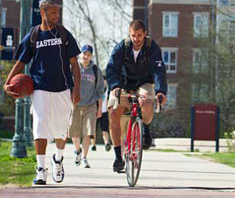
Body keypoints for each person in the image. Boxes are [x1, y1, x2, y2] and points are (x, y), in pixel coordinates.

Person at [3, 0, 81, 185]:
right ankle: (40, 169)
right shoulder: (33, 35)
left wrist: (77, 88)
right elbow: (21, 62)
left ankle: (58, 159)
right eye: (53, 12)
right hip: (39, 87)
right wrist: (7, 82)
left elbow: (74, 64)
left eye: (58, 12)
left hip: (63, 87)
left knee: (62, 128)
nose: (57, 16)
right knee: (40, 126)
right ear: (43, 12)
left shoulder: (63, 34)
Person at [106, 19, 167, 173]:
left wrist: (161, 91)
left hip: (144, 82)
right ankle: (118, 158)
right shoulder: (123, 47)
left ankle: (146, 129)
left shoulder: (152, 47)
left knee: (146, 100)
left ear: (144, 34)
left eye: (139, 36)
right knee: (113, 112)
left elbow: (158, 71)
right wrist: (115, 86)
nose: (136, 39)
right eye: (133, 36)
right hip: (124, 84)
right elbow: (112, 68)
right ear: (130, 34)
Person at [69, 45, 104, 168]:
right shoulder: (73, 68)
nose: (86, 56)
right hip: (75, 105)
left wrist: (99, 108)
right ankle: (77, 150)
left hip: (90, 105)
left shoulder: (95, 71)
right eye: (84, 53)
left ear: (91, 56)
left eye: (88, 54)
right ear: (80, 54)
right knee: (75, 133)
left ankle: (84, 157)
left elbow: (100, 91)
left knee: (88, 132)